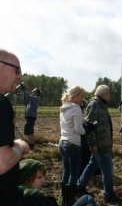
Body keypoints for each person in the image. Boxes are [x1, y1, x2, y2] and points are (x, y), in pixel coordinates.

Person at [77, 85, 117, 203]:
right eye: (109, 93)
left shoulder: (101, 104)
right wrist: (93, 144)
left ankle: (80, 185)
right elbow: (89, 127)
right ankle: (109, 195)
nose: (109, 96)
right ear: (104, 93)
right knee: (107, 170)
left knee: (92, 165)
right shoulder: (94, 104)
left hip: (103, 144)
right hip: (100, 145)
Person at [0, 49, 30, 206]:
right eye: (16, 70)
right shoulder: (1, 103)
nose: (20, 77)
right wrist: (20, 145)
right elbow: (2, 163)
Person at [17, 158, 96, 206]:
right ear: (26, 179)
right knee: (87, 198)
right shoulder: (35, 200)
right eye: (39, 177)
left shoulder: (14, 195)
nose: (43, 180)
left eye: (43, 177)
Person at [59, 86, 87, 205]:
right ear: (75, 96)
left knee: (66, 172)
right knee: (74, 173)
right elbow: (78, 129)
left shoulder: (63, 107)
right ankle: (70, 200)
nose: (82, 99)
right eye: (81, 96)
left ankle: (64, 199)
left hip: (62, 142)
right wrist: (87, 129)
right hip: (72, 144)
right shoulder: (76, 108)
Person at [21, 86, 41, 150]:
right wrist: (23, 93)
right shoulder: (32, 98)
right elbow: (26, 101)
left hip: (31, 117)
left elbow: (29, 97)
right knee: (30, 131)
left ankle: (31, 145)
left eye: (34, 91)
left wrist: (24, 90)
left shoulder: (36, 98)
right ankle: (31, 145)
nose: (32, 91)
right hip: (29, 117)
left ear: (37, 93)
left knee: (28, 131)